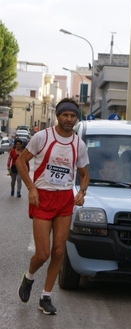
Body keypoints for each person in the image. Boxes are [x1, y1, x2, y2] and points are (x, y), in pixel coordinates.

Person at [16, 98, 89, 315]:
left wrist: (82, 192)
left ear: (76, 119)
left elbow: (85, 175)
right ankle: (29, 277)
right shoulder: (42, 137)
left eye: (73, 116)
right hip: (43, 198)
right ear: (58, 116)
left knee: (59, 250)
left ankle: (45, 296)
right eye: (65, 115)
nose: (69, 119)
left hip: (64, 200)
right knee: (43, 253)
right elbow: (21, 161)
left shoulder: (79, 144)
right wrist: (31, 187)